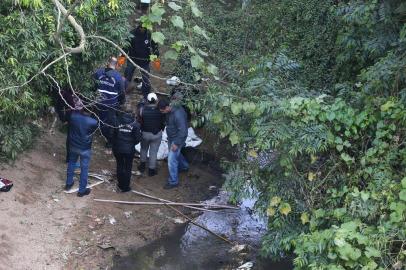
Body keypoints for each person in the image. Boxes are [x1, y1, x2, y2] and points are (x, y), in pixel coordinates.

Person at [65, 99, 98, 197]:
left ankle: (68, 184)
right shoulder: (93, 122)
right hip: (85, 148)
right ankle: (81, 190)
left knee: (71, 163)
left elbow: (67, 116)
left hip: (73, 145)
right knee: (84, 169)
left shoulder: (73, 117)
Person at [93, 56, 126, 147]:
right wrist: (122, 101)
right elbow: (121, 92)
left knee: (99, 116)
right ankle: (109, 141)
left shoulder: (98, 72)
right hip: (111, 103)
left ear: (108, 63)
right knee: (109, 122)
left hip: (98, 101)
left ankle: (98, 130)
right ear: (116, 65)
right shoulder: (118, 77)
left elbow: (93, 85)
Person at [158, 99, 189, 189]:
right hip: (172, 137)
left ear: (167, 107)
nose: (162, 113)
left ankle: (173, 181)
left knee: (171, 161)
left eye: (163, 111)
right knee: (176, 155)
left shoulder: (178, 115)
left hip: (177, 139)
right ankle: (184, 166)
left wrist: (176, 143)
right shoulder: (169, 111)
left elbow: (183, 131)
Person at [124, 24, 159, 99]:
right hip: (132, 59)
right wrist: (122, 57)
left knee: (146, 78)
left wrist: (156, 57)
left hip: (144, 61)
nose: (142, 29)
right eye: (141, 28)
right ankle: (124, 90)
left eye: (144, 28)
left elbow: (155, 47)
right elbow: (125, 46)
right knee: (128, 75)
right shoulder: (132, 34)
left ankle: (145, 94)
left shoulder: (149, 35)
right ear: (138, 27)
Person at [112, 109, 142, 192]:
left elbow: (113, 134)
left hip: (118, 148)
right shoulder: (136, 125)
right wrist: (131, 144)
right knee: (128, 167)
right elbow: (138, 139)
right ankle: (125, 187)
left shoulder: (117, 122)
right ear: (132, 115)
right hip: (129, 149)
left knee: (120, 165)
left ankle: (120, 184)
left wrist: (115, 144)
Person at [138, 93, 166, 176]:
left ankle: (142, 166)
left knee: (143, 149)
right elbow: (163, 122)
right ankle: (151, 170)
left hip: (145, 133)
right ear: (156, 100)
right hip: (156, 134)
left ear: (147, 100)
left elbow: (139, 121)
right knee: (153, 152)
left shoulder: (142, 110)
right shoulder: (161, 110)